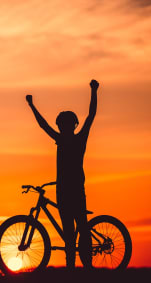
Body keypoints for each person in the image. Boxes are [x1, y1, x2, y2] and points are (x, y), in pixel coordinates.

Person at [25, 79, 99, 269]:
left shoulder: (77, 139)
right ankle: (72, 270)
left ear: (71, 126)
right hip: (64, 192)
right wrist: (32, 105)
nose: (62, 128)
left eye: (65, 125)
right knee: (70, 233)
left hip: (74, 191)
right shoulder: (61, 139)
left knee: (81, 229)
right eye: (61, 125)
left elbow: (91, 116)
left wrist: (94, 91)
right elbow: (43, 125)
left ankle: (85, 268)